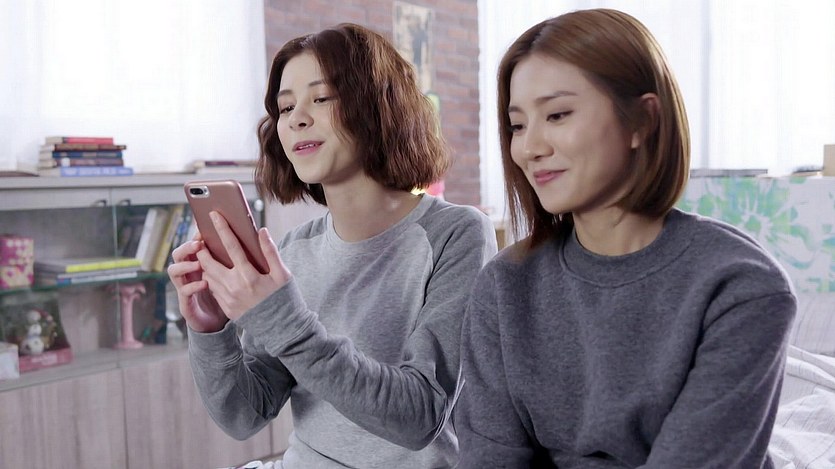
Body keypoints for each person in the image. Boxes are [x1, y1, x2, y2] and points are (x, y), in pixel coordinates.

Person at [455, 8, 796, 469]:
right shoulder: (504, 284)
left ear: (642, 120)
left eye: (557, 114)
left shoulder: (741, 286)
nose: (529, 148)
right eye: (517, 125)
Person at [168, 23, 497, 468]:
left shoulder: (456, 234)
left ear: (379, 105)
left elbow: (421, 416)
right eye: (286, 107)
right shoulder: (293, 251)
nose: (297, 118)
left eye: (321, 98)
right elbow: (245, 416)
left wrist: (282, 320)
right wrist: (211, 331)